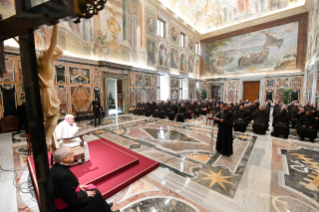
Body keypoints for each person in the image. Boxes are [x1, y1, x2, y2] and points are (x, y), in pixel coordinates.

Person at [51, 147, 118, 212]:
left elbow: (65, 186)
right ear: (65, 158)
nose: (74, 154)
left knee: (93, 190)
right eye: (72, 153)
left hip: (67, 196)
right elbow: (72, 199)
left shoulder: (56, 167)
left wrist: (78, 185)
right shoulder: (63, 175)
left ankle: (104, 207)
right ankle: (104, 208)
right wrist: (85, 194)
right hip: (67, 207)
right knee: (96, 194)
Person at [37, 24, 63, 149]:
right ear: (54, 52)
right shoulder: (46, 58)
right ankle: (47, 139)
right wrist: (56, 24)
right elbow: (54, 41)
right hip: (48, 90)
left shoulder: (41, 58)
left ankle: (45, 138)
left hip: (43, 90)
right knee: (55, 115)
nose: (58, 58)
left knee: (48, 118)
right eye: (58, 56)